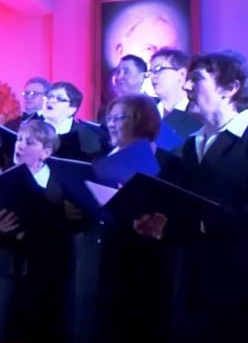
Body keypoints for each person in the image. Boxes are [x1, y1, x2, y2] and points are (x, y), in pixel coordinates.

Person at [136, 52, 248, 343]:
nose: (186, 87)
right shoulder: (190, 145)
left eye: (196, 79)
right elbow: (184, 208)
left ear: (230, 87)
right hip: (194, 290)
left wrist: (206, 224)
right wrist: (162, 225)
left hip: (246, 291)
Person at [76, 94, 176, 343]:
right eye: (109, 118)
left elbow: (176, 218)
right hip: (97, 268)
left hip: (143, 272)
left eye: (120, 117)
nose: (111, 124)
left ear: (143, 120)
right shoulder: (99, 161)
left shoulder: (170, 165)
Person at [0, 119, 72, 342]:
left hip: (42, 275)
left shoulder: (61, 187)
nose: (20, 145)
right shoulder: (2, 179)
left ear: (46, 152)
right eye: (19, 139)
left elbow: (63, 237)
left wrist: (26, 234)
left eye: (29, 142)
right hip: (3, 272)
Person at [42, 81, 104, 161]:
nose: (51, 101)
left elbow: (95, 164)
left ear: (72, 109)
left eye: (59, 98)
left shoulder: (84, 133)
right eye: (49, 96)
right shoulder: (32, 127)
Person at [149, 48, 202, 139]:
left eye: (158, 69)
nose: (152, 77)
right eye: (151, 72)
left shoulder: (199, 114)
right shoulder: (146, 112)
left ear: (182, 74)